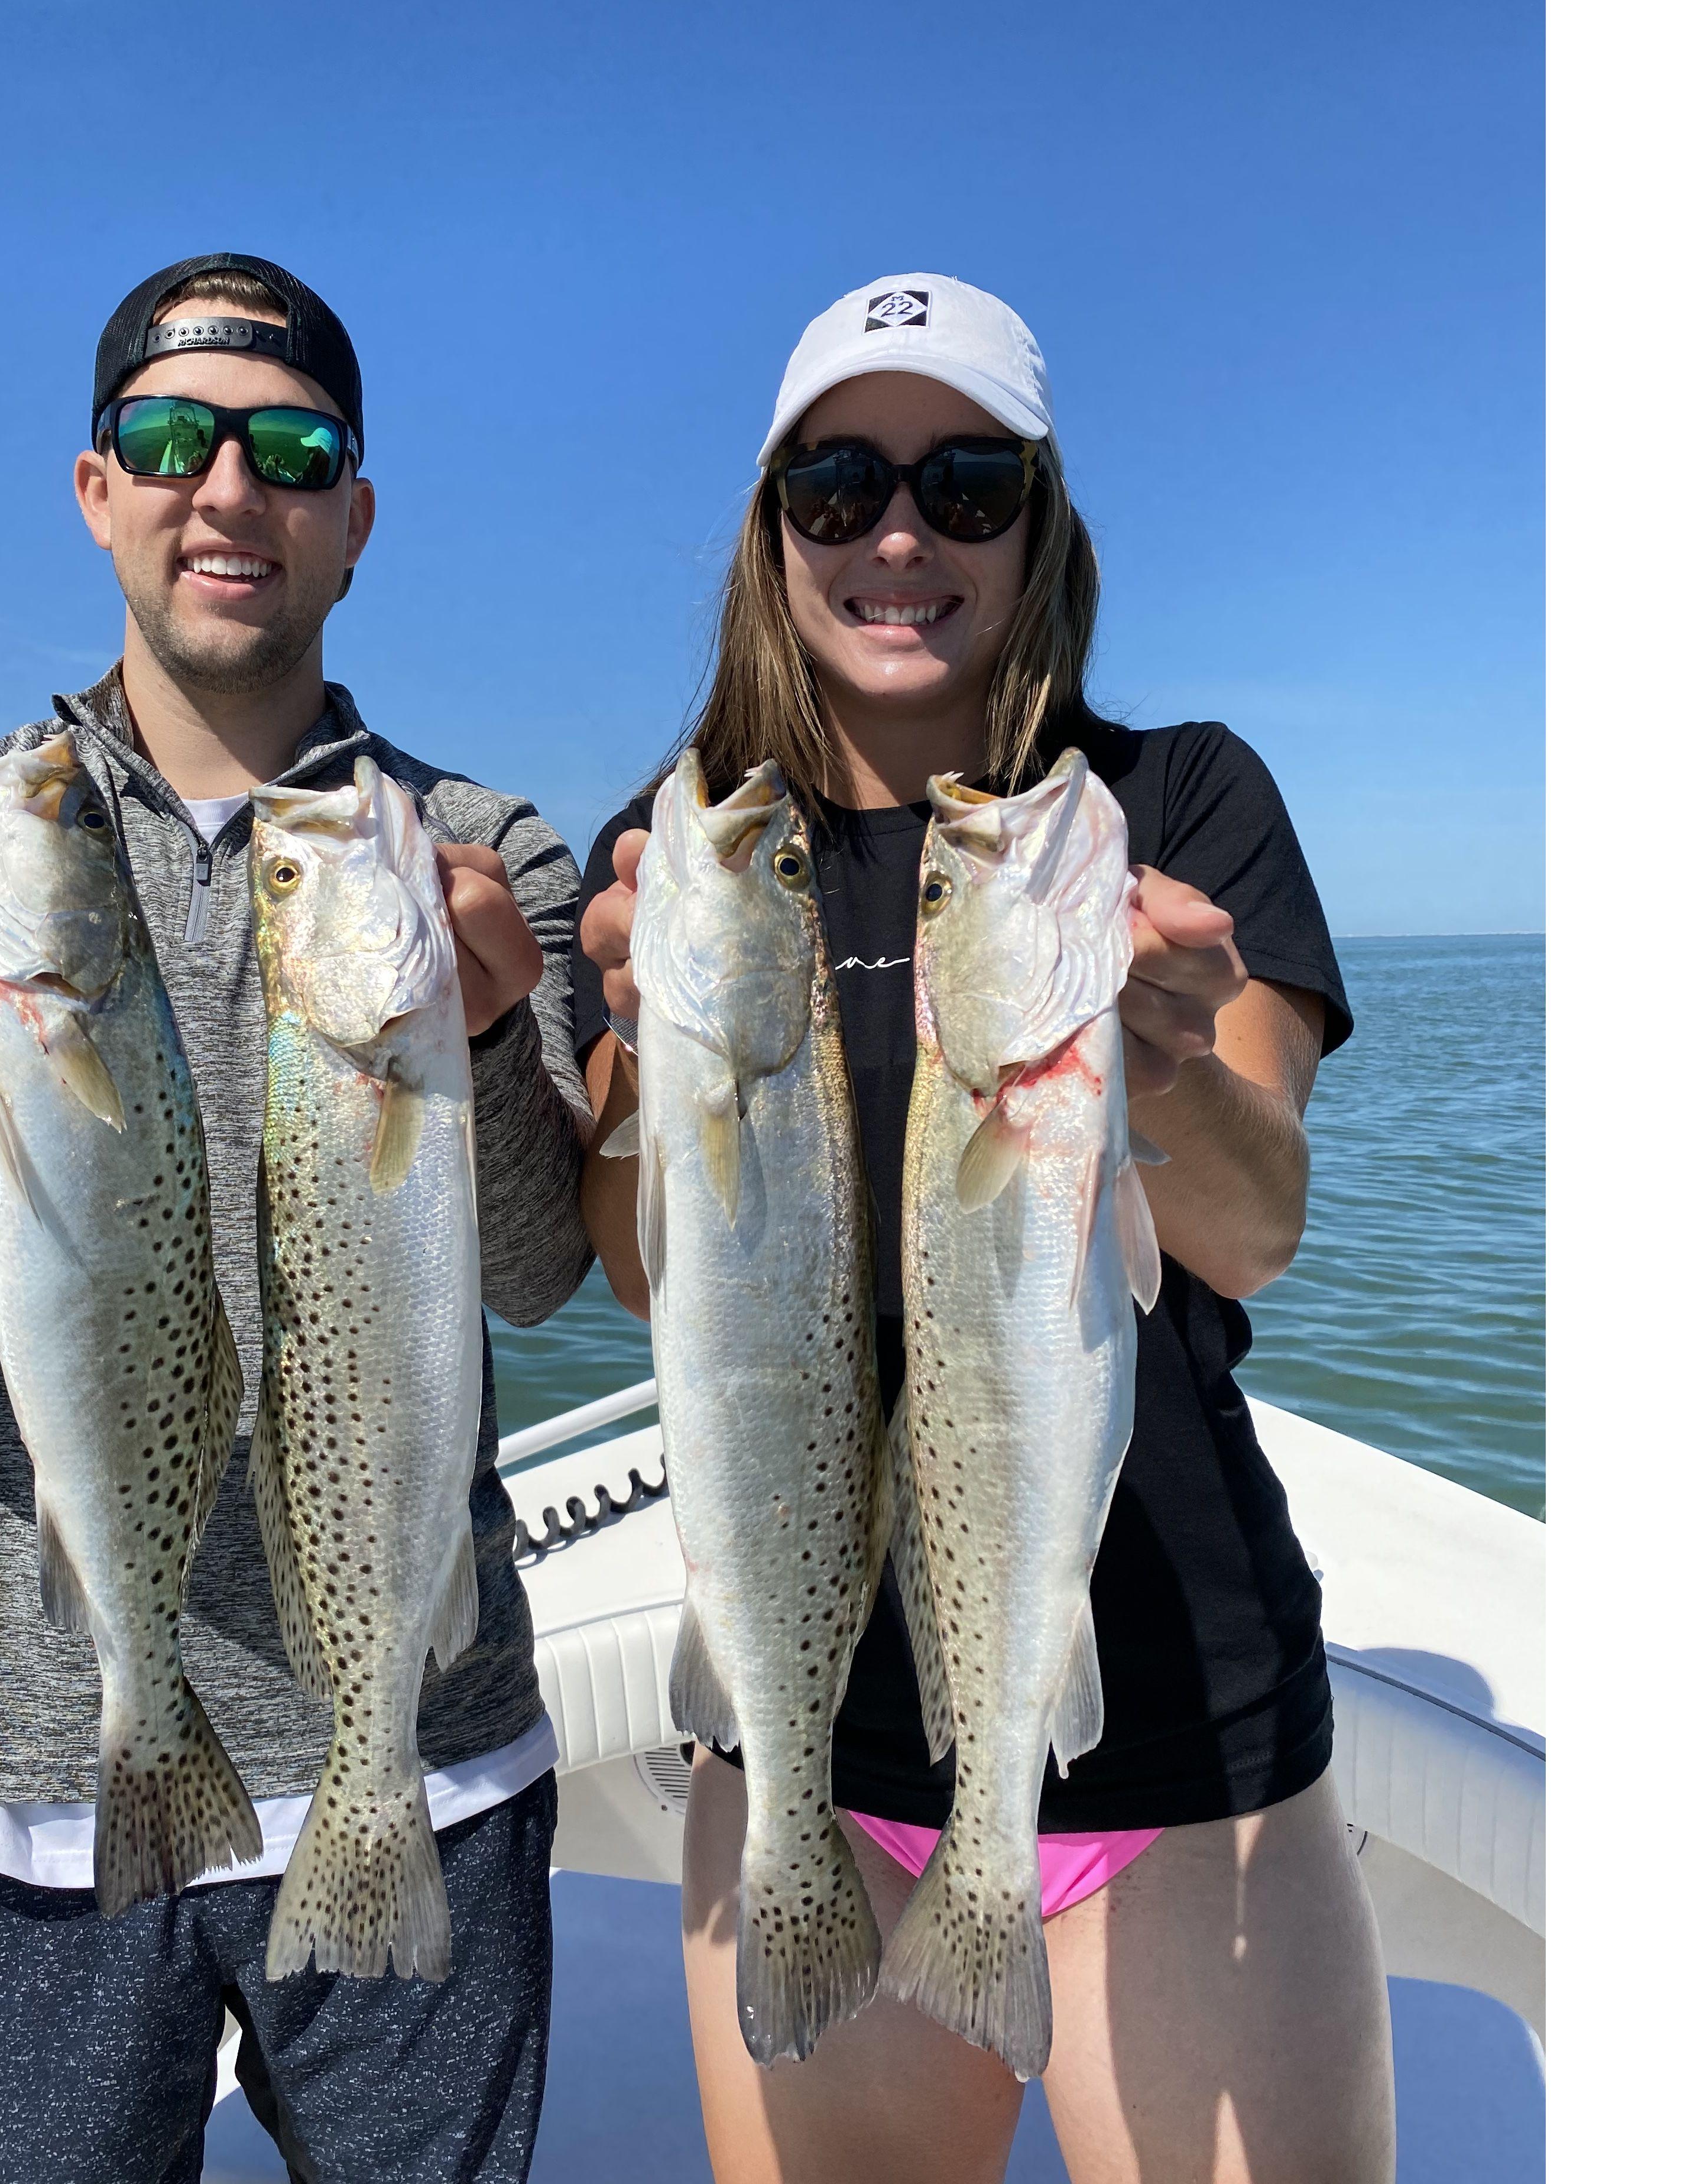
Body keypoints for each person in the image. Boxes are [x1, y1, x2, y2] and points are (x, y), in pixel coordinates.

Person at [0, 252, 593, 2184]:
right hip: (8, 1804)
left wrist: (475, 1045)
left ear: (356, 518)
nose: (228, 489)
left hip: (422, 1760)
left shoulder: (478, 849)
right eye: (169, 439)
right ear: (96, 489)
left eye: (291, 452)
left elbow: (546, 1270)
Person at [575, 274, 1394, 2184]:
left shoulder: (1168, 802)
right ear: (773, 528)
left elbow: (1254, 1231)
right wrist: (647, 1069)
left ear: (1041, 527)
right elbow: (635, 1266)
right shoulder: (703, 834)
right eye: (838, 482)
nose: (898, 535)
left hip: (1173, 1736)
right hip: (804, 1741)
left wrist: (1160, 1067)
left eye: (966, 483)